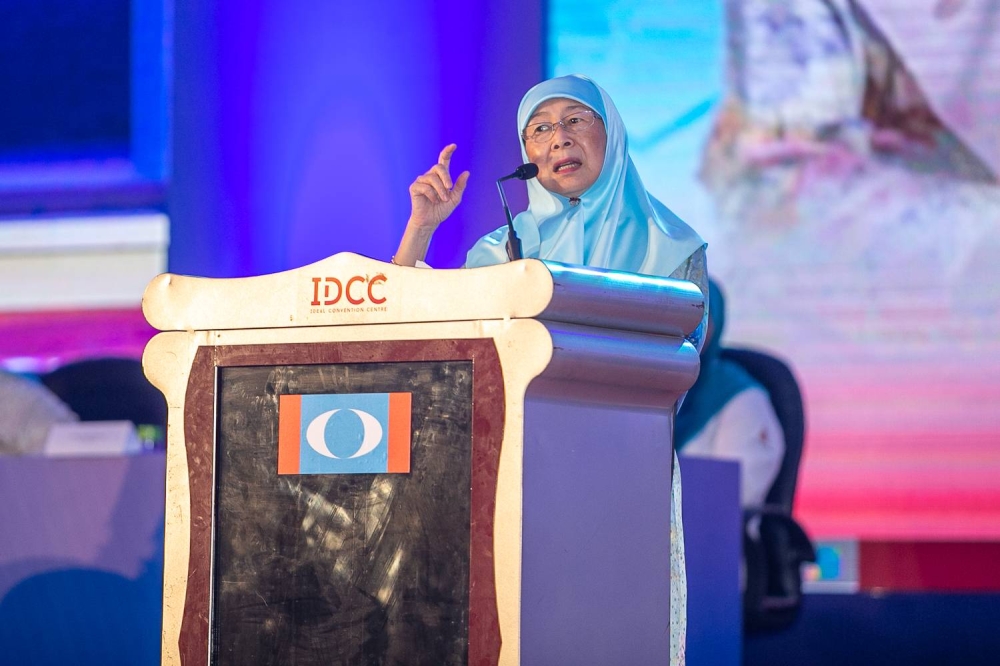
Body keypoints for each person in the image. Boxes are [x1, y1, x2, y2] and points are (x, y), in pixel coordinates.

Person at [393, 74, 707, 666]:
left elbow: (676, 373)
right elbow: (409, 338)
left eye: (575, 120)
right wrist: (421, 229)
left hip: (620, 474)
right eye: (538, 129)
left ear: (612, 135)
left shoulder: (673, 249)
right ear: (527, 155)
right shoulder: (499, 253)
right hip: (505, 477)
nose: (557, 137)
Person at [676, 279, 785, 509]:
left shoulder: (743, 400)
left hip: (707, 528)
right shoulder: (649, 392)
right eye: (677, 313)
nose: (687, 326)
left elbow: (733, 498)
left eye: (699, 316)